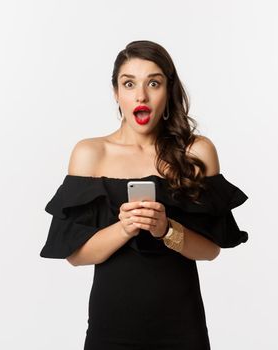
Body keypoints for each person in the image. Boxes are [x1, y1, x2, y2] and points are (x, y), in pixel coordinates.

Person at [40, 40, 249, 350]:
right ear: (116, 93)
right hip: (111, 329)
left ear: (169, 89)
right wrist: (125, 228)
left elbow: (211, 250)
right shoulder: (90, 154)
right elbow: (75, 255)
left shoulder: (196, 152)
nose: (141, 95)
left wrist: (166, 229)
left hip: (182, 328)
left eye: (154, 82)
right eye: (129, 84)